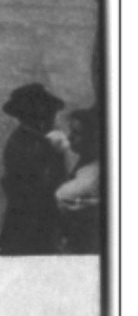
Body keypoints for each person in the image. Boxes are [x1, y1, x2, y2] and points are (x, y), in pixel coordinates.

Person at [0, 82, 68, 255]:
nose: (52, 117)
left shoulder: (33, 139)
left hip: (30, 210)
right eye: (48, 112)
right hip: (33, 213)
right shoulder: (29, 143)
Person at [55, 108, 101, 255]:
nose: (69, 137)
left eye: (77, 133)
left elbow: (60, 197)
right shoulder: (85, 159)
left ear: (93, 138)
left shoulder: (93, 174)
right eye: (70, 131)